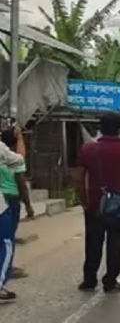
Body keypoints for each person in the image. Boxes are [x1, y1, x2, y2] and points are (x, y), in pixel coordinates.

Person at [74, 114, 120, 294]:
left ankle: (89, 280)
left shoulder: (88, 148)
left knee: (92, 243)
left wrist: (83, 200)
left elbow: (77, 177)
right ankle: (110, 281)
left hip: (94, 203)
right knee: (115, 245)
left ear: (100, 128)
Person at [0, 126, 31, 303]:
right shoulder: (3, 151)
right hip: (8, 202)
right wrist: (20, 138)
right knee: (6, 240)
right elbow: (20, 161)